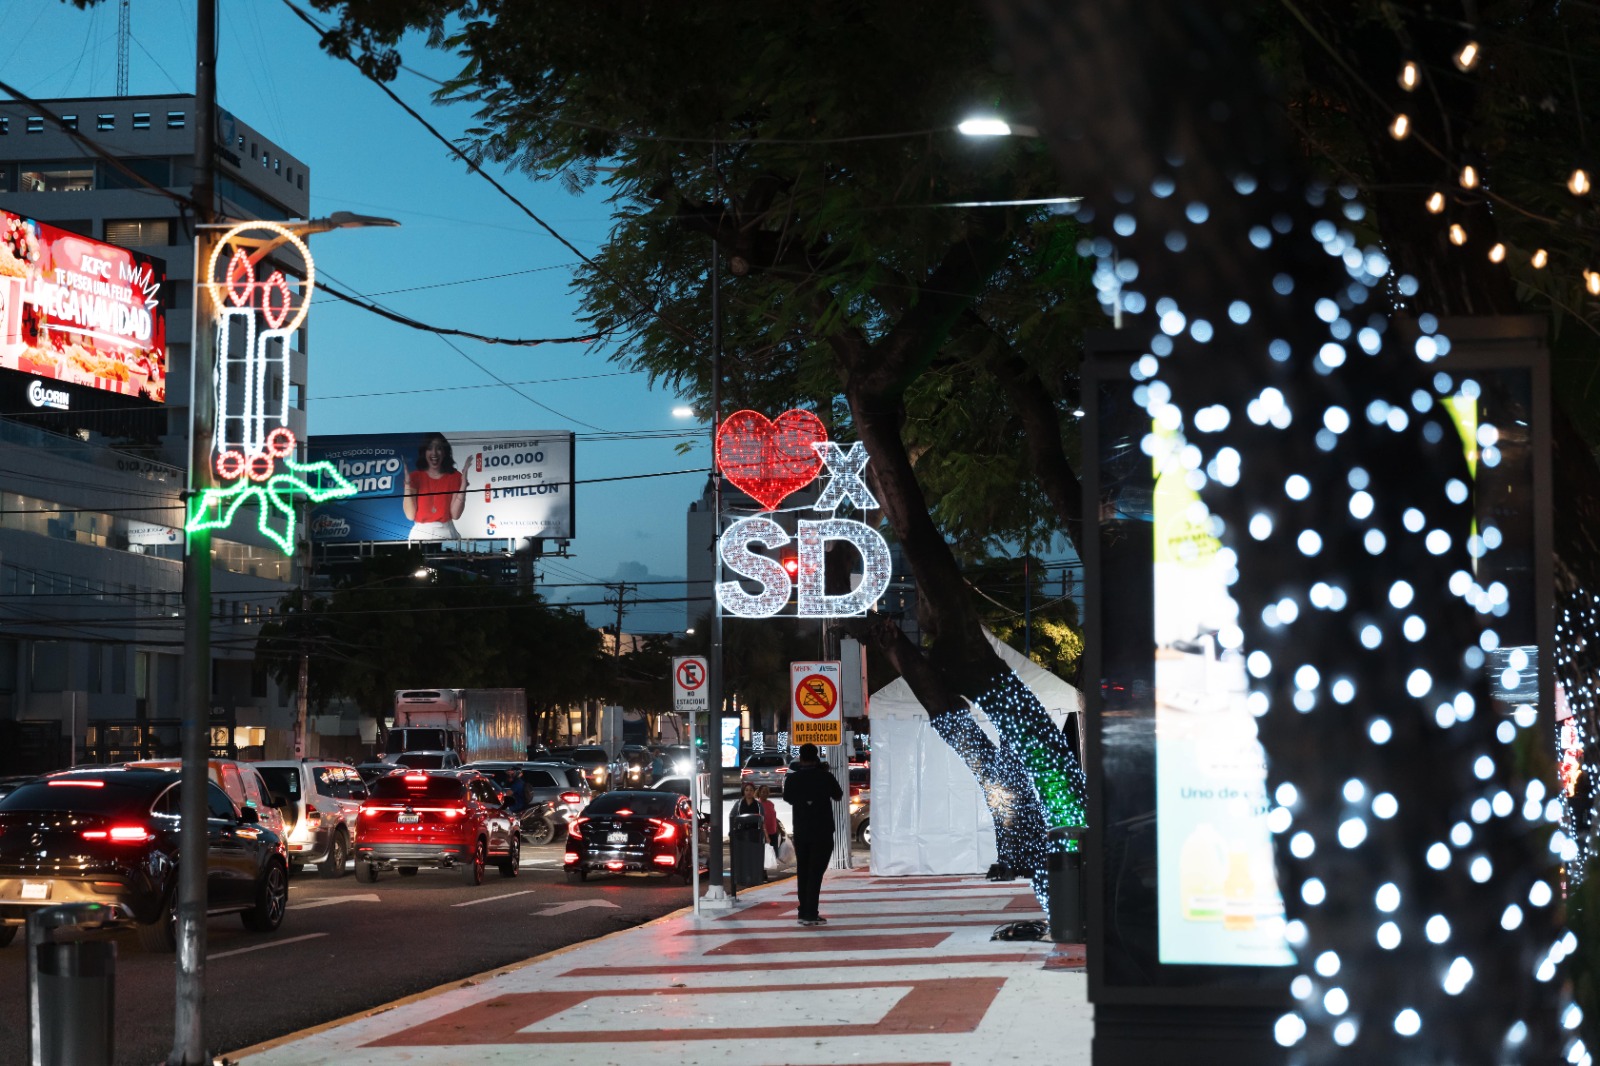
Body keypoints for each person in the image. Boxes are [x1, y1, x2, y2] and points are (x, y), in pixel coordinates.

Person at [782, 743, 842, 926]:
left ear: (800, 758)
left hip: (802, 831)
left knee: (804, 871)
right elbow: (838, 795)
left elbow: (787, 798)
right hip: (822, 831)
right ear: (816, 757)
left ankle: (804, 911)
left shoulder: (793, 779)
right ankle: (810, 912)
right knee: (816, 873)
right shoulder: (825, 777)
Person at [400, 432, 472, 540]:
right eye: (429, 448)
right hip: (420, 534)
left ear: (444, 452)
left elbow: (455, 515)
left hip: (446, 533)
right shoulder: (414, 477)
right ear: (424, 452)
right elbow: (410, 515)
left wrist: (463, 486)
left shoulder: (455, 476)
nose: (434, 453)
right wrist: (408, 485)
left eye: (439, 448)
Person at [756, 784, 782, 863]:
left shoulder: (771, 803)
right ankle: (763, 873)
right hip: (764, 833)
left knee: (773, 855)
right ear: (759, 793)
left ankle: (766, 871)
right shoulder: (757, 805)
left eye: (767, 792)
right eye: (763, 792)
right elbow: (760, 820)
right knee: (764, 856)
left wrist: (779, 829)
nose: (765, 794)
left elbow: (774, 817)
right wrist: (766, 835)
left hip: (773, 832)